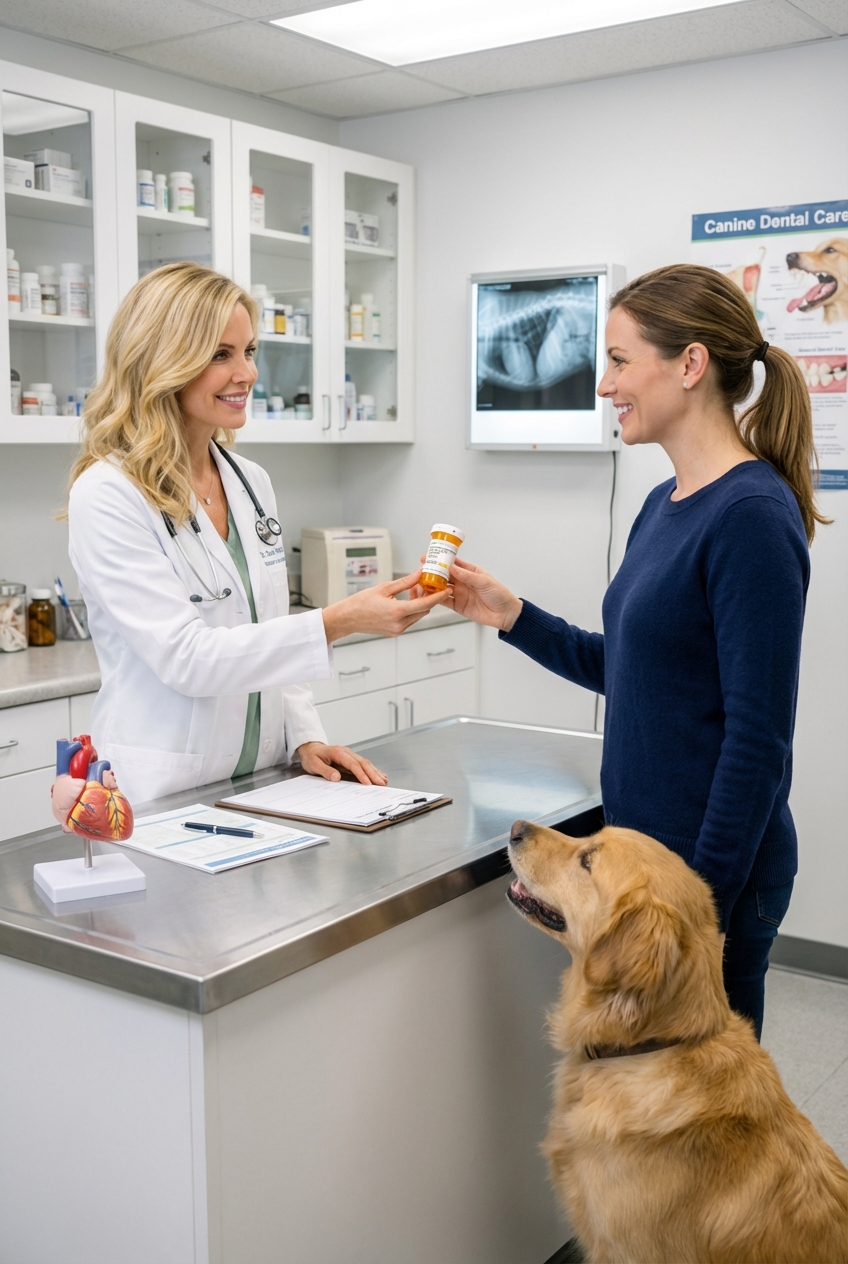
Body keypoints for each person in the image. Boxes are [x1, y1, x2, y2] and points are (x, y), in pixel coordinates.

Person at [444, 264, 827, 1041]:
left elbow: (757, 743)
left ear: (689, 365)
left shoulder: (752, 516)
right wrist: (510, 615)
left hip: (701, 886)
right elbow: (632, 671)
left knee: (706, 1121)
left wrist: (696, 909)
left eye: (619, 361)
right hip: (643, 876)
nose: (603, 384)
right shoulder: (665, 503)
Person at [67, 263, 446, 805]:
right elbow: (187, 657)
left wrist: (305, 737)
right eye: (221, 354)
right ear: (162, 360)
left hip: (262, 781)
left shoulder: (250, 483)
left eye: (249, 352)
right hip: (160, 790)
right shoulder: (109, 493)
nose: (246, 373)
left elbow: (268, 630)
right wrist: (339, 621)